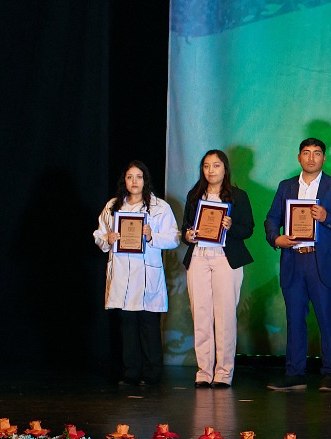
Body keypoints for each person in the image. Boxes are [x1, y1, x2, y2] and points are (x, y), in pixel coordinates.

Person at [264, 137, 331, 392]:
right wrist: (276, 238)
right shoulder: (286, 186)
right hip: (293, 258)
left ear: (324, 158)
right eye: (306, 153)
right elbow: (272, 218)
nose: (311, 157)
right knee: (294, 319)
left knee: (327, 318)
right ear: (299, 157)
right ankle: (295, 373)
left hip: (321, 261)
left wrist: (327, 217)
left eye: (317, 153)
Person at [93, 161, 178, 387]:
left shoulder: (160, 207)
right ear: (124, 180)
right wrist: (107, 239)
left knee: (148, 324)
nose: (134, 182)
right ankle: (130, 373)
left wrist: (152, 236)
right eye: (130, 177)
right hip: (122, 274)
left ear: (145, 180)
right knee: (127, 325)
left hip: (146, 274)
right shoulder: (113, 206)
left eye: (138, 177)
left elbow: (173, 237)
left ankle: (152, 375)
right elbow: (99, 234)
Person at [181, 149, 255, 388]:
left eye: (216, 165)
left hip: (225, 258)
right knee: (200, 315)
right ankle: (204, 371)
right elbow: (185, 229)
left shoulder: (238, 196)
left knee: (224, 316)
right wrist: (189, 235)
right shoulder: (195, 195)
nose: (210, 170)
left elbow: (248, 229)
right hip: (199, 258)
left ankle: (223, 373)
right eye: (206, 166)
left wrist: (231, 226)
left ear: (225, 168)